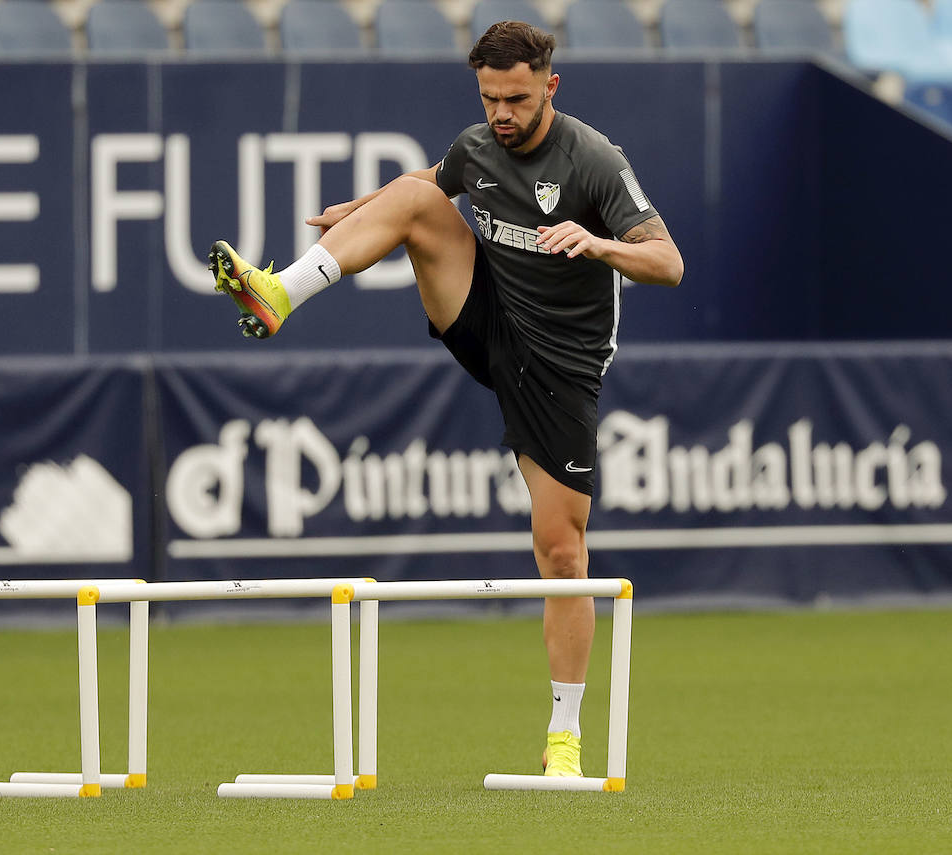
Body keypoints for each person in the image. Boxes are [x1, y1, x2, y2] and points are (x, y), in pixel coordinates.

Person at [206, 21, 682, 777]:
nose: (502, 113)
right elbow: (422, 185)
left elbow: (668, 261)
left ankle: (563, 736)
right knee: (414, 199)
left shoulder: (594, 161)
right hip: (485, 317)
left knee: (561, 549)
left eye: (517, 99)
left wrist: (599, 245)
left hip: (559, 364)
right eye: (491, 97)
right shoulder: (478, 145)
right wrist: (359, 215)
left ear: (549, 88)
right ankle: (279, 294)